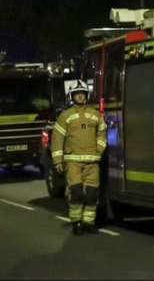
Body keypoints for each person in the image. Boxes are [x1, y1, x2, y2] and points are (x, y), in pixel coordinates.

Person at [50, 80, 107, 235]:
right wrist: (57, 160)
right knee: (76, 193)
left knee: (92, 195)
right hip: (73, 162)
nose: (80, 96)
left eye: (82, 94)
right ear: (72, 96)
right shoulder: (65, 116)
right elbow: (57, 139)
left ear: (86, 95)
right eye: (77, 94)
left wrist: (99, 149)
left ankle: (88, 222)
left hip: (92, 162)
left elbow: (102, 132)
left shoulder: (95, 115)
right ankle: (76, 222)